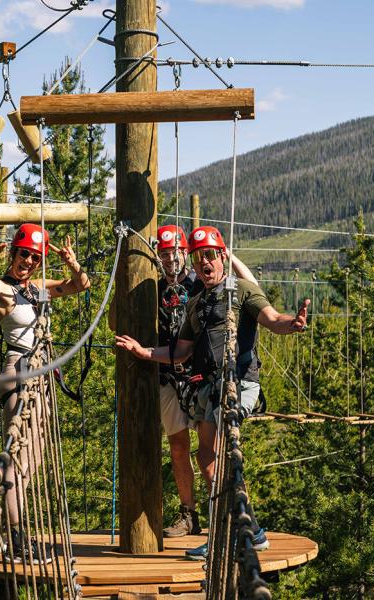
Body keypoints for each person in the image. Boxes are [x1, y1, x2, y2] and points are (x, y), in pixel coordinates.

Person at [115, 225, 309, 560]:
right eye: (199, 257)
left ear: (222, 257)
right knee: (206, 458)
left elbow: (272, 318)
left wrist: (290, 324)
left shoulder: (242, 291)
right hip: (208, 388)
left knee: (218, 459)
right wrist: (144, 352)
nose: (205, 262)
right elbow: (182, 351)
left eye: (210, 256)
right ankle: (252, 531)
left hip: (237, 385)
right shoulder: (197, 303)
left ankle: (230, 533)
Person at [0, 223, 90, 564]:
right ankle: (16, 537)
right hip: (20, 370)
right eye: (24, 254)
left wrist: (71, 262)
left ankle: (0, 527)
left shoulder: (38, 287)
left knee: (32, 457)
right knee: (17, 456)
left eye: (35, 257)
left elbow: (81, 286)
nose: (28, 261)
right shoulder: (1, 288)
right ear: (13, 254)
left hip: (41, 372)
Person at [152, 224, 259, 539]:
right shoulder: (152, 288)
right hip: (171, 374)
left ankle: (231, 522)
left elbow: (250, 287)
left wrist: (228, 254)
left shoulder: (202, 281)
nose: (170, 260)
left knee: (214, 451)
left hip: (203, 377)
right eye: (164, 255)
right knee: (180, 446)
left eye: (174, 253)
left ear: (185, 253)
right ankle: (191, 515)